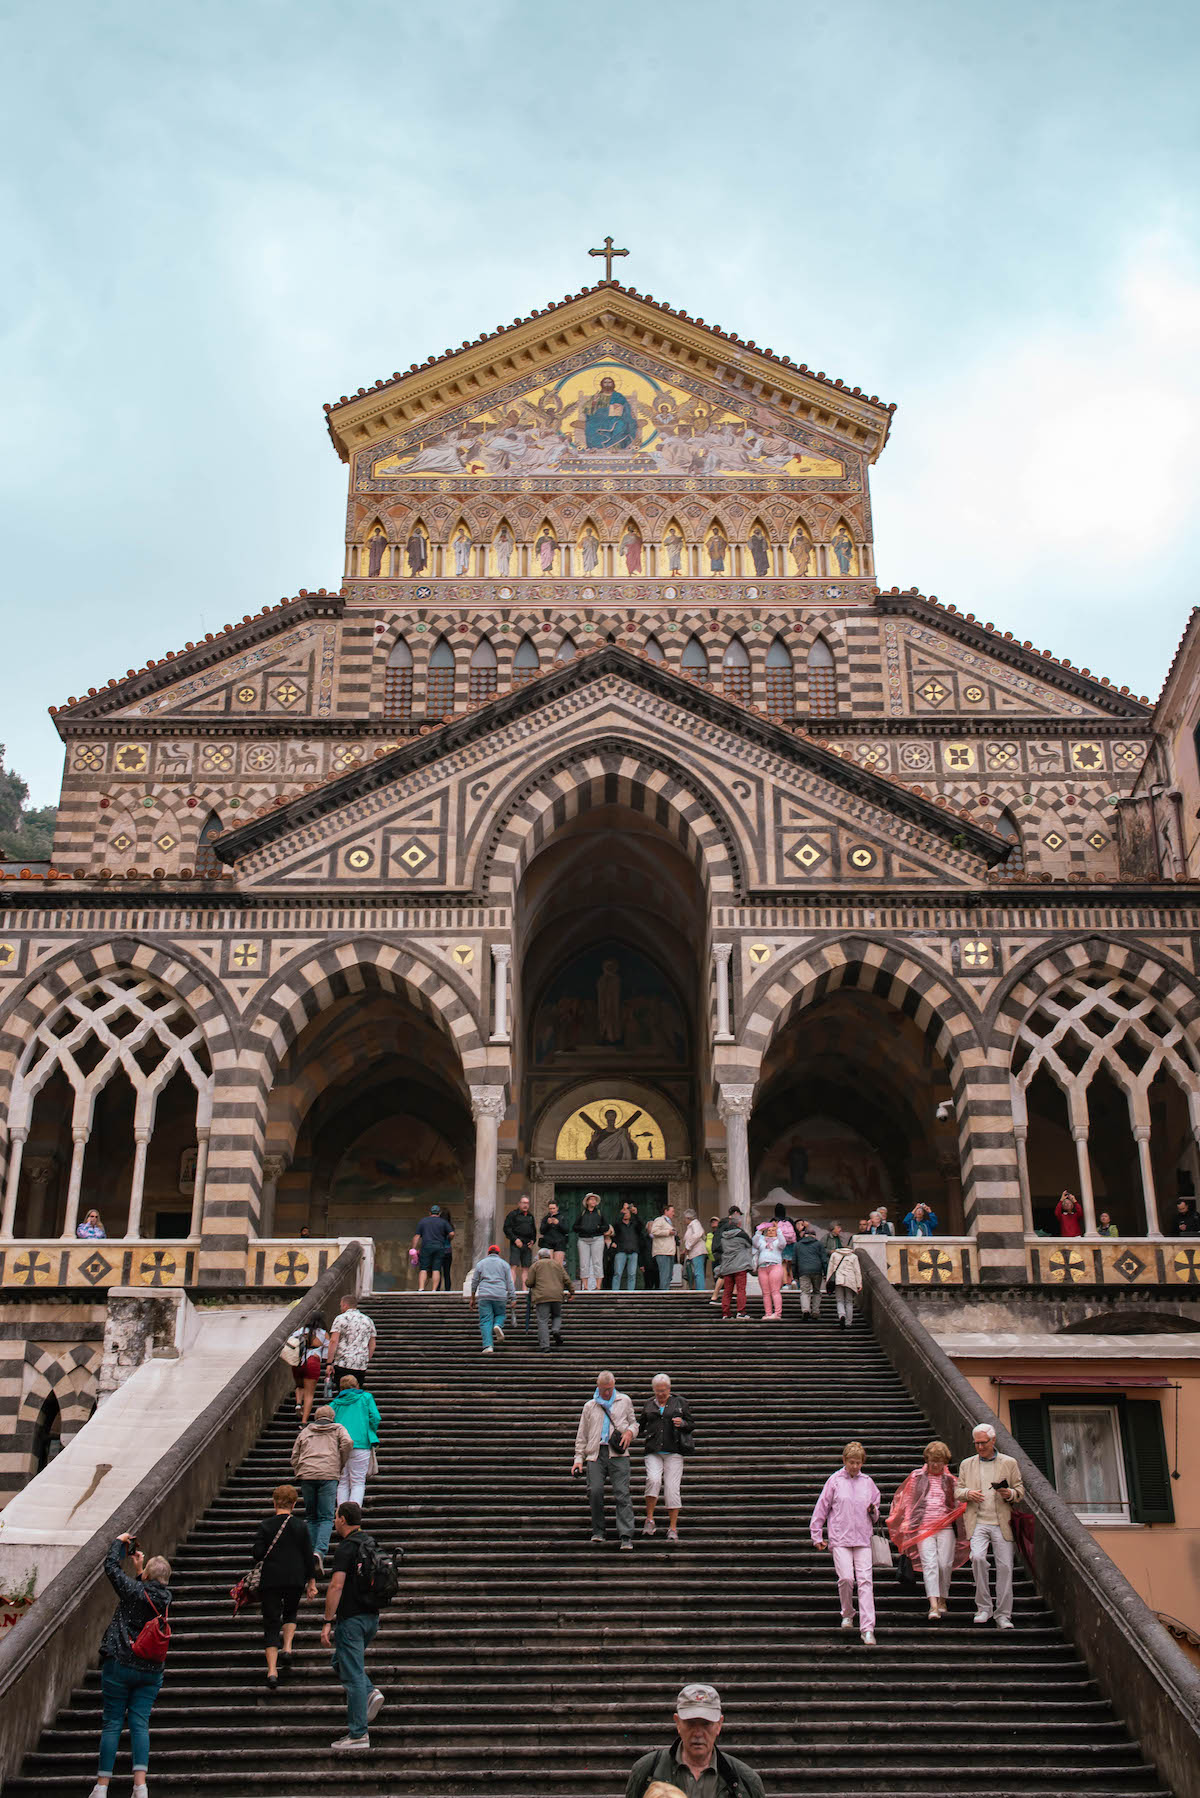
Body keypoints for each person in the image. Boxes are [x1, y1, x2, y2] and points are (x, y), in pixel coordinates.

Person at [90, 1532, 173, 1798]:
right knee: (140, 1724)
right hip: (151, 1670)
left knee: (112, 1723)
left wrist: (118, 1541)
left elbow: (111, 1568)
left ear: (148, 1576)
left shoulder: (134, 1591)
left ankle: (102, 1787)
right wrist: (141, 1571)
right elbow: (145, 1596)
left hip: (121, 1662)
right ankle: (140, 1786)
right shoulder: (166, 1599)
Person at [625, 1683, 766, 1798]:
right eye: (691, 1723)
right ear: (678, 1723)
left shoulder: (745, 1781)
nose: (698, 1733)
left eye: (706, 1723)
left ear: (719, 1725)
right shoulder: (646, 1771)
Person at [322, 1501, 386, 1751]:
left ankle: (358, 1734)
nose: (335, 1521)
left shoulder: (346, 1548)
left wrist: (328, 1621)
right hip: (372, 1618)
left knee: (353, 1674)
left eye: (336, 1517)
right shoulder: (370, 1542)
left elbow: (336, 1586)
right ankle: (370, 1693)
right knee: (341, 1662)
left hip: (352, 1618)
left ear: (343, 1519)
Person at [810, 1440, 882, 1644]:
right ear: (844, 1461)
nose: (855, 1466)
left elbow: (876, 1511)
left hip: (862, 1538)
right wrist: (816, 1534)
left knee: (866, 1581)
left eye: (858, 1463)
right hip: (840, 1537)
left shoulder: (868, 1482)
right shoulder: (834, 1481)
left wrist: (873, 1511)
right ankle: (848, 1612)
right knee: (847, 1579)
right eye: (851, 1462)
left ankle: (868, 1628)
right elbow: (821, 1508)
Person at [887, 1441, 969, 1620]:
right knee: (929, 1565)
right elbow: (907, 1501)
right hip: (923, 1527)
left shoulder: (951, 1481)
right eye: (932, 1461)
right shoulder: (917, 1477)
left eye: (939, 1461)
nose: (935, 1465)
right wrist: (907, 1522)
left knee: (945, 1564)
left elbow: (958, 1504)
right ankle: (933, 1604)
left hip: (946, 1527)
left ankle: (942, 1598)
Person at [956, 1422, 1024, 1628]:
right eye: (976, 1443)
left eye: (983, 1443)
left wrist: (1009, 1493)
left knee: (1005, 1567)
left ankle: (1003, 1614)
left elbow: (1019, 1489)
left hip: (1001, 1522)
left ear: (993, 1441)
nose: (979, 1447)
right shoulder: (967, 1464)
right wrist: (968, 1493)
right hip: (977, 1521)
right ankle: (984, 1607)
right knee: (977, 1558)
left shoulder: (1009, 1462)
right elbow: (957, 1491)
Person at [250, 1484, 318, 1687]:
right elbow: (308, 1556)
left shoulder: (266, 1526)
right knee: (290, 1612)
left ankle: (272, 1671)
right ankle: (287, 1647)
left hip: (270, 1580)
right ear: (294, 1503)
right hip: (294, 1578)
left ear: (274, 1502)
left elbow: (257, 1554)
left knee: (271, 1622)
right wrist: (311, 1582)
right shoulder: (301, 1526)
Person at [573, 1369, 639, 1548]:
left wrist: (630, 1433)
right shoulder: (590, 1406)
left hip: (618, 1454)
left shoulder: (624, 1401)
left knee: (622, 1492)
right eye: (604, 1389)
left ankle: (626, 1535)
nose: (607, 1393)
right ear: (598, 1387)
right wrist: (578, 1458)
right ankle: (598, 1531)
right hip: (595, 1453)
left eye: (610, 1389)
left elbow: (634, 1422)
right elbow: (582, 1434)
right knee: (594, 1491)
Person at [291, 1404, 353, 1568]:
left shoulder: (306, 1431)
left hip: (308, 1475)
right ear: (332, 1417)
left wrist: (300, 1469)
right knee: (326, 1516)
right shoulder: (338, 1429)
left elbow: (295, 1455)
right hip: (328, 1474)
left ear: (316, 1418)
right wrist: (340, 1461)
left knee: (311, 1517)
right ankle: (319, 1551)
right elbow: (348, 1443)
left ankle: (310, 1550)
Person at [638, 1374, 693, 1541]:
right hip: (653, 1450)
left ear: (669, 1389)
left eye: (663, 1391)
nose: (661, 1394)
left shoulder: (680, 1403)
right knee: (653, 1480)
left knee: (671, 1488)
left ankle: (673, 1528)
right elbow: (640, 1425)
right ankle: (649, 1519)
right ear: (653, 1390)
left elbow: (691, 1424)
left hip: (674, 1450)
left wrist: (683, 1424)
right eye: (657, 1391)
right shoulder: (648, 1404)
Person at [330, 1374, 381, 1509]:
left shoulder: (335, 1404)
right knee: (358, 1482)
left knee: (343, 1482)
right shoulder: (366, 1398)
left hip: (341, 1446)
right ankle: (353, 1515)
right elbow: (375, 1417)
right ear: (357, 1385)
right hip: (361, 1443)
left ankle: (341, 1514)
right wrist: (369, 1431)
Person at [468, 1242, 518, 1353]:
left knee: (485, 1320)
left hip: (485, 1295)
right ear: (498, 1253)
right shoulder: (504, 1264)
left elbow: (474, 1282)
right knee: (500, 1314)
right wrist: (513, 1297)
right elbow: (509, 1282)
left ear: (488, 1253)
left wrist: (472, 1298)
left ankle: (488, 1346)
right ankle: (498, 1325)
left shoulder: (481, 1264)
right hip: (500, 1294)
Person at [526, 1245, 575, 1349]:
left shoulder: (535, 1265)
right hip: (557, 1296)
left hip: (541, 1297)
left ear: (539, 1256)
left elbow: (529, 1282)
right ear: (549, 1256)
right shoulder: (557, 1264)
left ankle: (545, 1346)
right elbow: (567, 1279)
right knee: (557, 1315)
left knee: (543, 1321)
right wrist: (572, 1292)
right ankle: (555, 1329)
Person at [328, 1293, 377, 1390]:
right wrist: (366, 1358)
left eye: (341, 1305)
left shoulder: (340, 1318)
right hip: (360, 1363)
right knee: (357, 1393)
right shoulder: (368, 1320)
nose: (341, 1308)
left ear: (345, 1305)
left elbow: (334, 1341)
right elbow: (372, 1344)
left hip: (343, 1362)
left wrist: (329, 1362)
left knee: (343, 1392)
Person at [287, 1312, 328, 1427]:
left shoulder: (300, 1331)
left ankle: (298, 1403)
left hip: (298, 1362)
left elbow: (291, 1342)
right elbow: (325, 1355)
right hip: (312, 1362)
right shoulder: (323, 1334)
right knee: (309, 1394)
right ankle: (304, 1422)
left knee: (299, 1386)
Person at [715, 1209, 755, 1321]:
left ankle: (726, 1313)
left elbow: (720, 1248)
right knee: (741, 1290)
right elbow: (749, 1244)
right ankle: (741, 1312)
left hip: (727, 1266)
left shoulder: (723, 1237)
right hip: (740, 1265)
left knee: (727, 1291)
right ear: (739, 1224)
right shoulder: (742, 1235)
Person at [792, 1220, 829, 1320]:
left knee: (805, 1292)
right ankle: (815, 1311)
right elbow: (824, 1260)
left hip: (803, 1271)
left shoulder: (797, 1245)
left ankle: (805, 1310)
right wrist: (826, 1273)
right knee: (816, 1291)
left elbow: (794, 1261)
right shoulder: (819, 1244)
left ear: (805, 1235)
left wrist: (795, 1274)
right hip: (817, 1270)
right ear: (814, 1236)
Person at [412, 1203, 454, 1290]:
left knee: (424, 1268)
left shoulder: (423, 1221)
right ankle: (434, 1290)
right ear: (439, 1213)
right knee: (436, 1269)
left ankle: (421, 1288)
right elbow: (452, 1233)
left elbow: (417, 1236)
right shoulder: (443, 1222)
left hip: (426, 1246)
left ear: (429, 1213)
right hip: (439, 1247)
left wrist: (413, 1248)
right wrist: (449, 1238)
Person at [573, 1192, 609, 1291]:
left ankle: (598, 1286)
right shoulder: (582, 1213)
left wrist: (598, 1229)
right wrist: (583, 1228)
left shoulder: (599, 1213)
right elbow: (575, 1227)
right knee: (584, 1263)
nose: (593, 1201)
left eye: (594, 1200)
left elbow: (606, 1226)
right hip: (583, 1240)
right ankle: (585, 1286)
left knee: (597, 1262)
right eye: (591, 1199)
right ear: (587, 1202)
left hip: (597, 1239)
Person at [752, 1218, 786, 1322]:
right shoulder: (762, 1242)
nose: (770, 1232)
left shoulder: (777, 1242)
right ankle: (768, 1313)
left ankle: (777, 1313)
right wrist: (760, 1230)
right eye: (769, 1230)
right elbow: (754, 1242)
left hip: (775, 1266)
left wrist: (778, 1229)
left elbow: (783, 1243)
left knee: (775, 1291)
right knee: (765, 1293)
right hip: (763, 1268)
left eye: (773, 1230)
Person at [824, 1238, 862, 1328]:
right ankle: (848, 1322)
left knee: (840, 1300)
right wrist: (859, 1284)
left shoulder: (834, 1255)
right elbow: (857, 1271)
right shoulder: (853, 1257)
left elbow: (830, 1269)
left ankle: (842, 1315)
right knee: (849, 1301)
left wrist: (828, 1282)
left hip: (838, 1280)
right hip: (850, 1280)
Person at [611, 1200, 642, 1291]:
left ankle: (630, 1292)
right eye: (624, 1213)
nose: (626, 1214)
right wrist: (623, 1211)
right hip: (621, 1251)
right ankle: (615, 1292)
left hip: (633, 1251)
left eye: (628, 1212)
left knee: (632, 1274)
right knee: (617, 1273)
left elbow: (641, 1226)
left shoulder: (634, 1224)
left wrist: (636, 1214)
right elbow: (615, 1223)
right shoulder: (618, 1225)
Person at [503, 1193, 538, 1271]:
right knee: (513, 1266)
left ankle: (524, 1284)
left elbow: (534, 1231)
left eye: (527, 1203)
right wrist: (515, 1239)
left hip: (527, 1245)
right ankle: (512, 1284)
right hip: (516, 1243)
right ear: (519, 1204)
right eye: (524, 1203)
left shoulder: (530, 1216)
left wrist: (533, 1241)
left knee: (526, 1268)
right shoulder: (512, 1214)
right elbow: (507, 1228)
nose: (526, 1205)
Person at [649, 1205, 679, 1290]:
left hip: (670, 1252)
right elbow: (654, 1231)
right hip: (662, 1251)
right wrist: (668, 1232)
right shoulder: (659, 1220)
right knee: (664, 1274)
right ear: (666, 1211)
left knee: (669, 1275)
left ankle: (666, 1290)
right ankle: (663, 1293)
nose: (673, 1213)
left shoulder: (669, 1222)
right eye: (672, 1211)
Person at [681, 1210, 707, 1289]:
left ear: (688, 1218)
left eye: (685, 1218)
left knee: (698, 1272)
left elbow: (697, 1235)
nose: (684, 1220)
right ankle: (698, 1289)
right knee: (696, 1272)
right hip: (694, 1252)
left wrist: (688, 1246)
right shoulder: (691, 1225)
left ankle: (701, 1290)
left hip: (697, 1251)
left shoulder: (695, 1223)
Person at [539, 1200, 569, 1265]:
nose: (552, 1210)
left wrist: (558, 1223)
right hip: (548, 1243)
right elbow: (541, 1231)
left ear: (557, 1208)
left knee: (558, 1266)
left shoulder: (562, 1217)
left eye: (553, 1208)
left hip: (559, 1243)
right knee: (548, 1265)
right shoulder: (545, 1218)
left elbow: (566, 1230)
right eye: (550, 1208)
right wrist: (547, 1224)